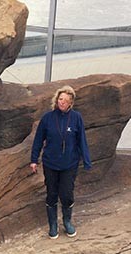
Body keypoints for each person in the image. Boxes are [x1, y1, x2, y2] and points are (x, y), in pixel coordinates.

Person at [30, 85, 92, 239]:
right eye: (60, 99)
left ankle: (67, 221)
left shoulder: (76, 118)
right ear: (56, 100)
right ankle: (53, 225)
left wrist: (86, 160)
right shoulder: (47, 118)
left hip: (69, 164)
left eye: (65, 100)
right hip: (50, 163)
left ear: (71, 103)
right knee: (51, 194)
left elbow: (82, 141)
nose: (62, 102)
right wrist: (33, 160)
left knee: (66, 194)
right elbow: (38, 140)